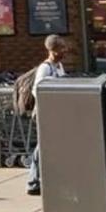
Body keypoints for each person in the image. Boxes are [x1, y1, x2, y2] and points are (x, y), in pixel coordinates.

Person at [23, 34, 70, 197]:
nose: (65, 50)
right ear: (53, 50)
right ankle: (33, 181)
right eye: (62, 48)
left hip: (56, 113)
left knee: (51, 145)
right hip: (45, 113)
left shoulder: (59, 66)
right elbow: (37, 90)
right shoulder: (46, 68)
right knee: (43, 145)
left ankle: (44, 179)